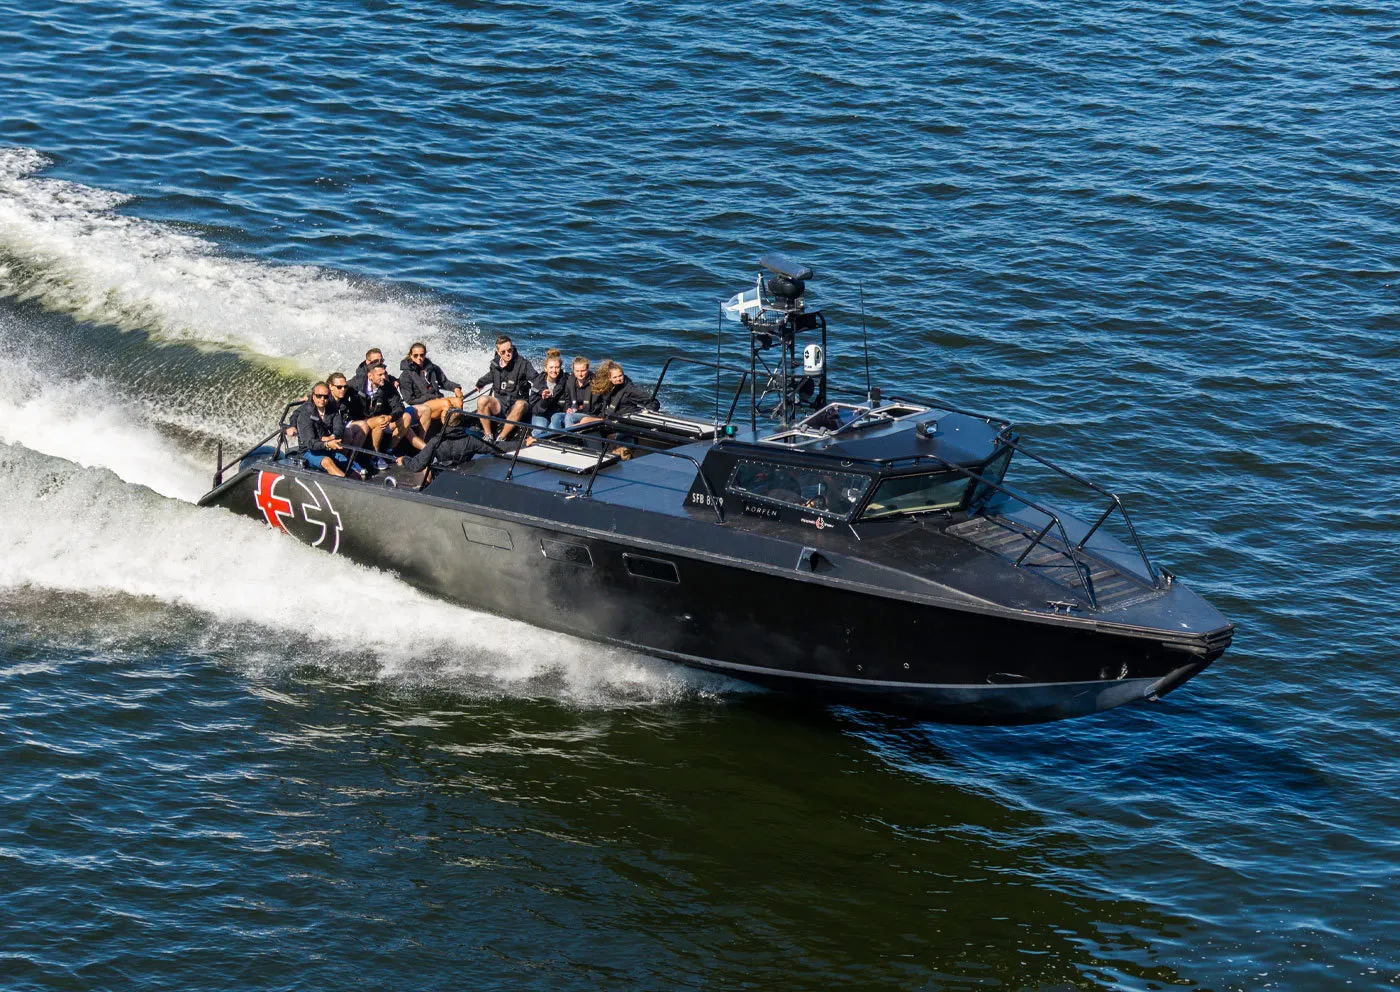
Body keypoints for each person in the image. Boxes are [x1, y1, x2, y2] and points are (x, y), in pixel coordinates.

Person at [397, 407, 500, 473]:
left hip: (441, 477)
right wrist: (513, 447)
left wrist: (404, 459)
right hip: (462, 474)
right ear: (461, 421)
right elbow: (495, 447)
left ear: (445, 421)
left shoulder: (436, 441)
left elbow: (417, 466)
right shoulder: (471, 440)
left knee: (427, 468)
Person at [475, 335, 535, 441]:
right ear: (498, 352)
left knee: (521, 404)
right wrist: (480, 383)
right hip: (501, 405)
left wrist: (544, 389)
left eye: (509, 350)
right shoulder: (495, 365)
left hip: (517, 405)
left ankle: (502, 437)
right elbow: (491, 375)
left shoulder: (523, 364)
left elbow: (536, 378)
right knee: (482, 400)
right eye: (503, 352)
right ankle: (488, 435)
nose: (507, 354)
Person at [398, 341, 463, 437]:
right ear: (410, 356)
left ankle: (454, 427)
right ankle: (447, 433)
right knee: (445, 403)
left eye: (421, 355)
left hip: (436, 400)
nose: (419, 358)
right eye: (415, 356)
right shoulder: (405, 375)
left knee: (458, 401)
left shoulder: (432, 368)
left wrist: (456, 388)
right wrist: (431, 398)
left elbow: (444, 382)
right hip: (420, 406)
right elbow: (409, 400)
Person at [361, 361, 424, 452]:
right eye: (380, 375)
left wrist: (390, 417)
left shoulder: (388, 387)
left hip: (382, 419)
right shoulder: (358, 384)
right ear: (370, 376)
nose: (384, 377)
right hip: (361, 420)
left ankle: (390, 450)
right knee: (381, 421)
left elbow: (399, 406)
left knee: (406, 417)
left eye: (384, 374)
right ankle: (375, 455)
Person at [292, 382, 350, 476]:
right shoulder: (305, 415)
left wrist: (333, 436)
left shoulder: (333, 410)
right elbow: (310, 442)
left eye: (325, 397)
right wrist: (326, 443)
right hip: (308, 451)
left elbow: (339, 428)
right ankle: (347, 486)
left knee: (350, 464)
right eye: (319, 396)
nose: (322, 399)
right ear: (313, 396)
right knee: (327, 462)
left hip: (328, 449)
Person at [529, 349, 569, 433]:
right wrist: (544, 400)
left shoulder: (566, 380)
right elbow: (534, 408)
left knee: (553, 428)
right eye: (551, 367)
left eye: (557, 367)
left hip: (557, 414)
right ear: (545, 369)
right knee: (540, 429)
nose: (554, 370)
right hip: (541, 414)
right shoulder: (538, 382)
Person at [562, 356, 598, 428]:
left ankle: (571, 438)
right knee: (556, 417)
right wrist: (567, 408)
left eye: (583, 371)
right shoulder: (569, 382)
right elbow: (567, 399)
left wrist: (580, 408)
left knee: (569, 418)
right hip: (574, 411)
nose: (580, 374)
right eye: (577, 371)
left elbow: (597, 405)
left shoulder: (595, 382)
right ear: (573, 370)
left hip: (589, 414)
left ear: (588, 369)